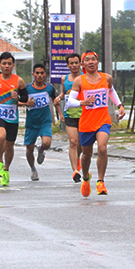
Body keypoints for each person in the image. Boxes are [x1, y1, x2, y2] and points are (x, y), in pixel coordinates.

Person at [65, 50, 125, 197]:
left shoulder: (107, 78)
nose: (91, 62)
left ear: (97, 62)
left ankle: (100, 181)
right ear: (82, 64)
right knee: (86, 154)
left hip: (103, 120)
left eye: (93, 59)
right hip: (86, 122)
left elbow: (111, 91)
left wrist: (120, 105)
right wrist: (81, 102)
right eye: (87, 60)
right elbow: (69, 102)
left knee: (103, 148)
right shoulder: (79, 80)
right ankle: (86, 177)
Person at [0, 51, 30, 186]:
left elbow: (25, 98)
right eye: (4, 64)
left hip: (12, 118)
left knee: (9, 145)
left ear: (13, 65)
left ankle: (6, 170)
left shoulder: (18, 81)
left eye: (9, 64)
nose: (7, 66)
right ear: (0, 65)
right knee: (1, 137)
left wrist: (18, 98)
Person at [20, 63, 57, 181]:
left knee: (47, 143)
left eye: (42, 73)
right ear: (33, 74)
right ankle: (33, 169)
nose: (40, 75)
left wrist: (60, 113)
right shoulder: (26, 89)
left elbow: (54, 101)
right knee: (29, 149)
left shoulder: (50, 88)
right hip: (31, 123)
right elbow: (16, 102)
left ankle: (41, 150)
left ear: (45, 75)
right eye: (37, 73)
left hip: (45, 121)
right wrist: (26, 103)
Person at [54, 53, 86, 182]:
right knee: (73, 142)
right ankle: (75, 171)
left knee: (82, 144)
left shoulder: (85, 77)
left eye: (76, 62)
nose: (74, 65)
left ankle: (78, 159)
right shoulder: (64, 79)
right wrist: (59, 97)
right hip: (69, 114)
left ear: (80, 64)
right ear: (67, 65)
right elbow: (64, 92)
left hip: (84, 114)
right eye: (71, 63)